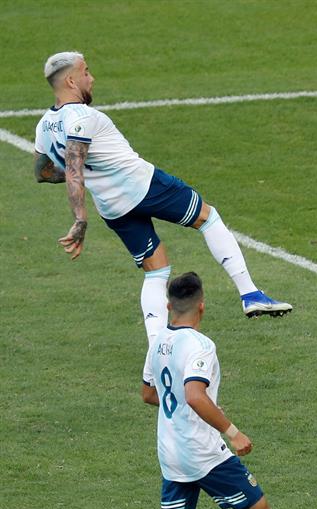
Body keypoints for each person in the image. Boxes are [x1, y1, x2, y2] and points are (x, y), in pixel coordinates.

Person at [33, 51, 291, 348]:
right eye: (86, 72)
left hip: (112, 206)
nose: (92, 78)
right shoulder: (82, 117)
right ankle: (251, 295)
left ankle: (157, 345)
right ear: (70, 79)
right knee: (208, 218)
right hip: (144, 185)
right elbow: (75, 167)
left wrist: (89, 175)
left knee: (156, 270)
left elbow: (44, 171)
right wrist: (79, 217)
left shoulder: (44, 125)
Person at [141, 272, 272, 509]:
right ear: (202, 305)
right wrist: (233, 433)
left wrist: (202, 406)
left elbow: (148, 394)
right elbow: (194, 396)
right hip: (201, 451)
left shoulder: (157, 343)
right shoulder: (200, 346)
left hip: (170, 451)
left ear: (169, 306)